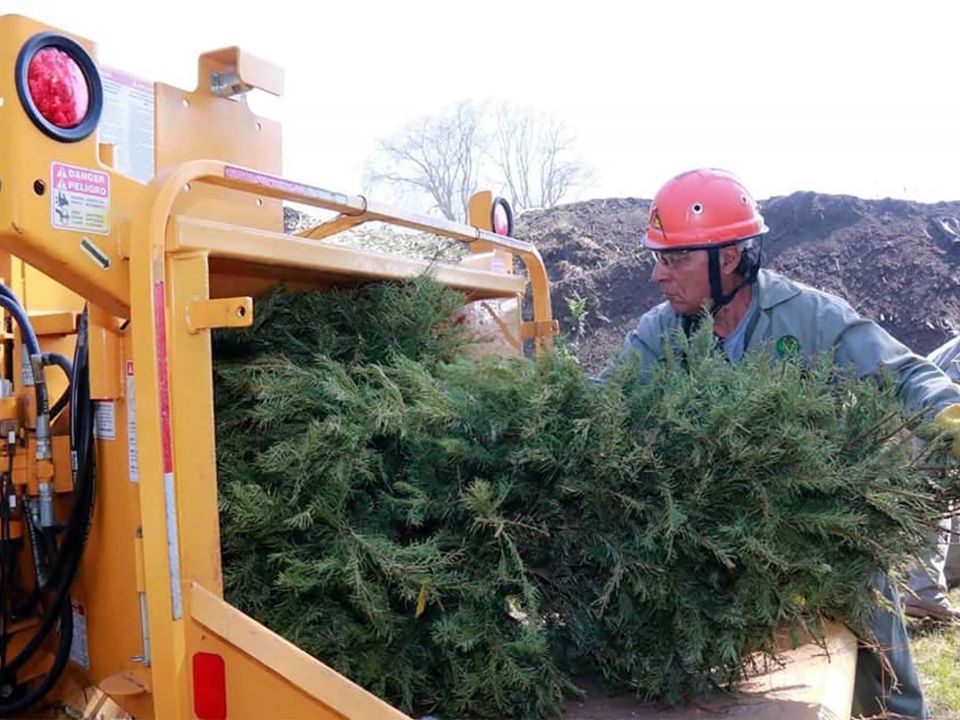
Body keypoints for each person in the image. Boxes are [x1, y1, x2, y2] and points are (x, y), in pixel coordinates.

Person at [603, 168, 960, 720]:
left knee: (880, 670)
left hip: (822, 536)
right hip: (714, 545)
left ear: (728, 258)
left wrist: (949, 415)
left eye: (674, 260)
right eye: (659, 258)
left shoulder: (810, 318)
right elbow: (602, 400)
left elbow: (906, 374)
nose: (657, 275)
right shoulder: (658, 334)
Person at [904, 333, 960, 619]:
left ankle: (942, 577)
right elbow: (947, 390)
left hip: (937, 403)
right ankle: (924, 594)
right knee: (937, 493)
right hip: (937, 408)